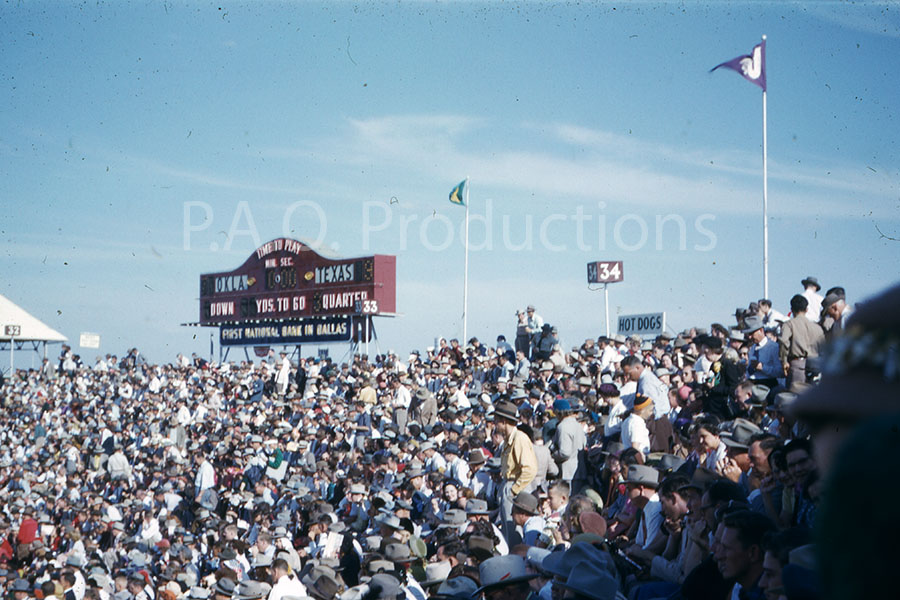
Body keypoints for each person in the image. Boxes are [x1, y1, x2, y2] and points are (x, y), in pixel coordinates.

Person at [493, 400, 537, 545]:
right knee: (507, 529)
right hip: (508, 484)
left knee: (514, 531)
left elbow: (530, 469)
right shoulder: (508, 440)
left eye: (497, 421)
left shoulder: (520, 439)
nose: (494, 424)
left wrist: (513, 490)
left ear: (504, 421)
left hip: (517, 487)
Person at [778, 295, 825, 388]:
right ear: (807, 309)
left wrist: (784, 361)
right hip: (815, 366)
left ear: (791, 309)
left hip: (797, 365)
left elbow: (783, 341)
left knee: (794, 396)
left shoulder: (789, 324)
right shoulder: (817, 328)